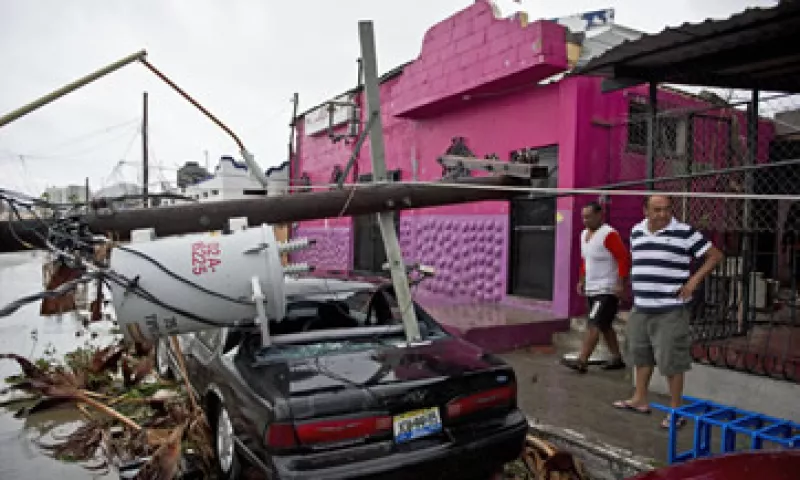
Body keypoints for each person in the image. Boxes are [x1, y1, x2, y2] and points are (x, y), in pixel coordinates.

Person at [613, 195, 723, 429]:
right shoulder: (636, 232)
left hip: (671, 309)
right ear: (645, 210)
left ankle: (676, 411)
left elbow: (714, 256)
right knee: (640, 355)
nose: (662, 214)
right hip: (641, 307)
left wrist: (693, 282)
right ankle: (640, 399)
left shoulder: (684, 232)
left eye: (666, 209)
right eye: (657, 210)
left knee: (671, 361)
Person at [562, 201, 629, 373]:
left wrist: (621, 283)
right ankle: (616, 358)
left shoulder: (609, 234)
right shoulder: (584, 235)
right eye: (583, 217)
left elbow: (623, 258)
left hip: (606, 289)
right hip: (592, 288)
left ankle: (582, 360)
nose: (585, 220)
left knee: (594, 323)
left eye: (589, 216)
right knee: (605, 325)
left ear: (600, 215)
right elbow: (586, 260)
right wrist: (581, 280)